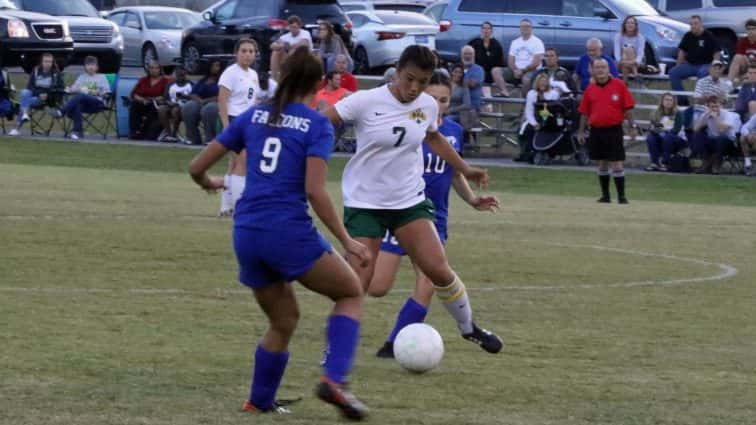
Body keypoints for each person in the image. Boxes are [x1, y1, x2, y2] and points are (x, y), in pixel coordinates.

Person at [187, 46, 370, 420]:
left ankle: (259, 400)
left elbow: (196, 166)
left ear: (283, 77)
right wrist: (347, 241)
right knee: (350, 292)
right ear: (319, 84)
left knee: (283, 320)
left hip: (247, 233)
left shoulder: (254, 115)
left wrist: (209, 181)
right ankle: (335, 380)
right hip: (286, 230)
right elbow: (315, 190)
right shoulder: (317, 124)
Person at [322, 45, 503, 353]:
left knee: (439, 270)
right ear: (397, 72)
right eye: (409, 79)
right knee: (358, 285)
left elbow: (433, 137)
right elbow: (323, 120)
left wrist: (465, 168)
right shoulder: (365, 101)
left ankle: (468, 327)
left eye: (423, 80)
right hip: (366, 204)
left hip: (408, 202)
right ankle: (335, 354)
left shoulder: (426, 105)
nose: (415, 88)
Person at [366, 70, 500, 358]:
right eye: (433, 98)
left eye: (444, 100)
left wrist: (473, 200)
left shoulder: (453, 132)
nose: (438, 104)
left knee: (428, 282)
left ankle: (393, 345)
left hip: (433, 219)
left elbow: (452, 174)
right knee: (377, 286)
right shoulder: (410, 127)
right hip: (402, 212)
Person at [578, 58, 637, 204]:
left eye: (603, 67)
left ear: (608, 69)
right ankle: (605, 196)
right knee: (602, 163)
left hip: (614, 129)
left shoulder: (619, 85)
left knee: (617, 163)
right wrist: (581, 131)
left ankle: (622, 196)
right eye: (597, 67)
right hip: (596, 130)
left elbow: (628, 108)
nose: (600, 70)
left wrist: (632, 127)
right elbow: (584, 113)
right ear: (592, 70)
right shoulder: (590, 89)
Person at [217, 38, 260, 217]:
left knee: (235, 163)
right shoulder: (230, 73)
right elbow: (222, 100)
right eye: (244, 51)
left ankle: (226, 206)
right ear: (237, 53)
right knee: (240, 162)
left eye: (251, 51)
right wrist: (227, 125)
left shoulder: (253, 74)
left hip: (247, 121)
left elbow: (254, 101)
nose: (247, 54)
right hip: (235, 120)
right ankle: (238, 205)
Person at [50, 56, 111, 140]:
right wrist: (76, 89)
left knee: (81, 95)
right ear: (85, 67)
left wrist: (92, 92)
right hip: (84, 104)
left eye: (93, 65)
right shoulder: (82, 77)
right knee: (76, 105)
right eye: (88, 65)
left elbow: (106, 94)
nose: (91, 67)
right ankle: (78, 132)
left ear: (97, 67)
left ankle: (61, 111)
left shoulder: (102, 77)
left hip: (98, 103)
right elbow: (72, 89)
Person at [517, 73, 570, 163]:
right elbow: (529, 112)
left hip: (551, 121)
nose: (542, 84)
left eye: (544, 82)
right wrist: (534, 124)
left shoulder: (554, 94)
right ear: (537, 83)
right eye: (540, 82)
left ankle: (549, 153)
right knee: (528, 130)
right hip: (536, 119)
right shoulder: (531, 94)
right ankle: (530, 153)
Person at [9, 52, 64, 136]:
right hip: (36, 96)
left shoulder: (56, 74)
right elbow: (30, 86)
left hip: (47, 100)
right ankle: (24, 114)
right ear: (42, 62)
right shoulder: (36, 71)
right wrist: (39, 94)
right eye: (45, 61)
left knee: (25, 102)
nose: (47, 63)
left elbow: (60, 89)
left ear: (52, 62)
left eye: (49, 61)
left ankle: (17, 127)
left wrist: (47, 95)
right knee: (24, 92)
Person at [669, 15, 720, 105]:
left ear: (701, 24)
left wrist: (715, 68)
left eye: (695, 23)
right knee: (673, 72)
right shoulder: (688, 36)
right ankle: (682, 101)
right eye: (691, 24)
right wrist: (678, 66)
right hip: (690, 65)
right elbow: (682, 52)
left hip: (706, 65)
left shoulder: (709, 36)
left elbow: (717, 52)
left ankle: (699, 102)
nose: (693, 26)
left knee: (702, 73)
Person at [692, 96, 741, 174]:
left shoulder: (729, 115)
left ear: (721, 106)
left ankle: (717, 164)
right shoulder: (707, 114)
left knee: (721, 138)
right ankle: (706, 161)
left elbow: (721, 130)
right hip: (713, 141)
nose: (715, 109)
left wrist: (716, 118)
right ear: (708, 107)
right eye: (712, 107)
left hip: (728, 143)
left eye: (717, 106)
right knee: (697, 135)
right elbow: (695, 129)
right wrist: (705, 116)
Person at [182, 59, 223, 145]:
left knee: (209, 109)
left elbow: (223, 96)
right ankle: (192, 137)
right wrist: (200, 100)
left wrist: (206, 101)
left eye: (217, 65)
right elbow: (193, 93)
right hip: (202, 103)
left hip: (217, 103)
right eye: (213, 66)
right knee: (188, 107)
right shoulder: (203, 80)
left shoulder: (223, 80)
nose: (215, 68)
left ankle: (210, 138)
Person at [129, 60, 172, 140]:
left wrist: (155, 99)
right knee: (134, 104)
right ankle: (135, 131)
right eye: (151, 68)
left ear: (160, 69)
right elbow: (134, 94)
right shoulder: (143, 80)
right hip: (144, 102)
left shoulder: (166, 81)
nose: (154, 70)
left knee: (153, 107)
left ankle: (145, 131)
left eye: (156, 68)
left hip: (157, 104)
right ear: (148, 69)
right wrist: (142, 99)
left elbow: (167, 95)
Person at [645, 93, 685, 171]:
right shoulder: (656, 113)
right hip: (662, 137)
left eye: (670, 100)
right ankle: (654, 163)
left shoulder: (678, 113)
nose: (668, 102)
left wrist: (660, 128)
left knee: (668, 137)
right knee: (650, 138)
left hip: (678, 139)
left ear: (674, 102)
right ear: (662, 101)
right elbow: (651, 128)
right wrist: (660, 128)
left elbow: (676, 130)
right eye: (666, 99)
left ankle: (665, 163)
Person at [468, 21, 508, 96]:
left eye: (488, 28)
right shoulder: (474, 42)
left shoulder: (496, 45)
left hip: (489, 74)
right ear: (481, 30)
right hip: (476, 71)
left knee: (485, 87)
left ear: (491, 31)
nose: (486, 30)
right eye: (484, 28)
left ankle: (487, 102)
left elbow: (499, 63)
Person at [504, 19, 544, 91]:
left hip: (531, 70)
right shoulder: (515, 42)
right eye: (522, 26)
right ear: (520, 28)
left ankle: (525, 100)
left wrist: (522, 71)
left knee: (526, 79)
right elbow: (510, 60)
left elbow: (536, 63)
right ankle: (504, 92)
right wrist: (515, 70)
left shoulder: (538, 42)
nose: (525, 28)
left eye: (527, 26)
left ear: (531, 28)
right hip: (516, 70)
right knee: (496, 71)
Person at [158, 67, 192, 143]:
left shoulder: (190, 84)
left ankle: (174, 134)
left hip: (185, 107)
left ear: (186, 74)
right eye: (178, 75)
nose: (181, 77)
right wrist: (169, 103)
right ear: (176, 75)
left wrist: (184, 97)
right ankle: (168, 133)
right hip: (171, 105)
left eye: (182, 75)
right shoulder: (170, 84)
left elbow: (194, 97)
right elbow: (165, 98)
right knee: (161, 109)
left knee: (175, 110)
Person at [614, 16, 646, 82]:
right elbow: (617, 53)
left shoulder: (640, 37)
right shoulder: (618, 36)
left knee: (629, 49)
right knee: (627, 49)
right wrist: (621, 61)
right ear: (624, 25)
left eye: (632, 23)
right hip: (621, 61)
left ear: (635, 25)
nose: (630, 25)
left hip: (637, 62)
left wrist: (635, 61)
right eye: (628, 23)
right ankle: (636, 75)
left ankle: (624, 82)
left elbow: (640, 54)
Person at [727, 19, 756, 86]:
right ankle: (728, 83)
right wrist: (749, 63)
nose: (751, 31)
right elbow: (740, 56)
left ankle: (743, 78)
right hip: (746, 65)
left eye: (753, 29)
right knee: (737, 57)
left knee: (742, 78)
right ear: (746, 30)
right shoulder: (742, 41)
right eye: (748, 29)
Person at [461, 45, 484, 111]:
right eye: (465, 54)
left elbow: (472, 84)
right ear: (461, 55)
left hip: (472, 107)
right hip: (457, 105)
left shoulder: (479, 69)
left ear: (474, 55)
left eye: (470, 54)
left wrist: (457, 81)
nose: (467, 56)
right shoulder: (457, 68)